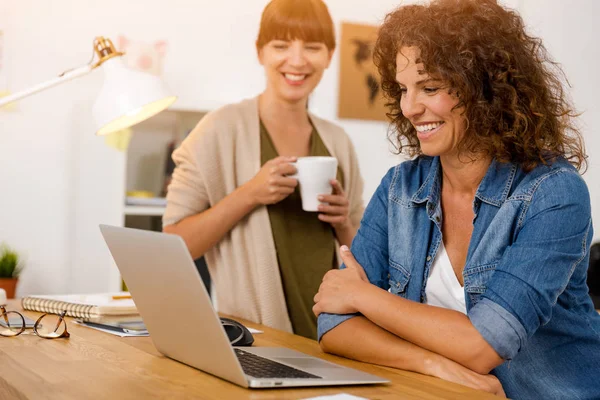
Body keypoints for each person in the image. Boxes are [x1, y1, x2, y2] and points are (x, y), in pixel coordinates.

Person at [313, 0, 600, 398]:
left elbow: (485, 344)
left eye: (429, 87)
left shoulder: (553, 193)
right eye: (403, 89)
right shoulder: (400, 188)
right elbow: (333, 325)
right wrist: (431, 363)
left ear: (486, 89)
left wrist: (363, 295)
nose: (410, 107)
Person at [163, 0, 364, 340]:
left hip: (335, 339)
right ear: (260, 52)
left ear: (329, 55)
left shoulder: (338, 141)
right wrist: (249, 195)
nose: (297, 60)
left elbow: (364, 261)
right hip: (256, 341)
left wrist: (344, 223)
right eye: (281, 46)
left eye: (312, 47)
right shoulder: (218, 130)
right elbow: (173, 246)